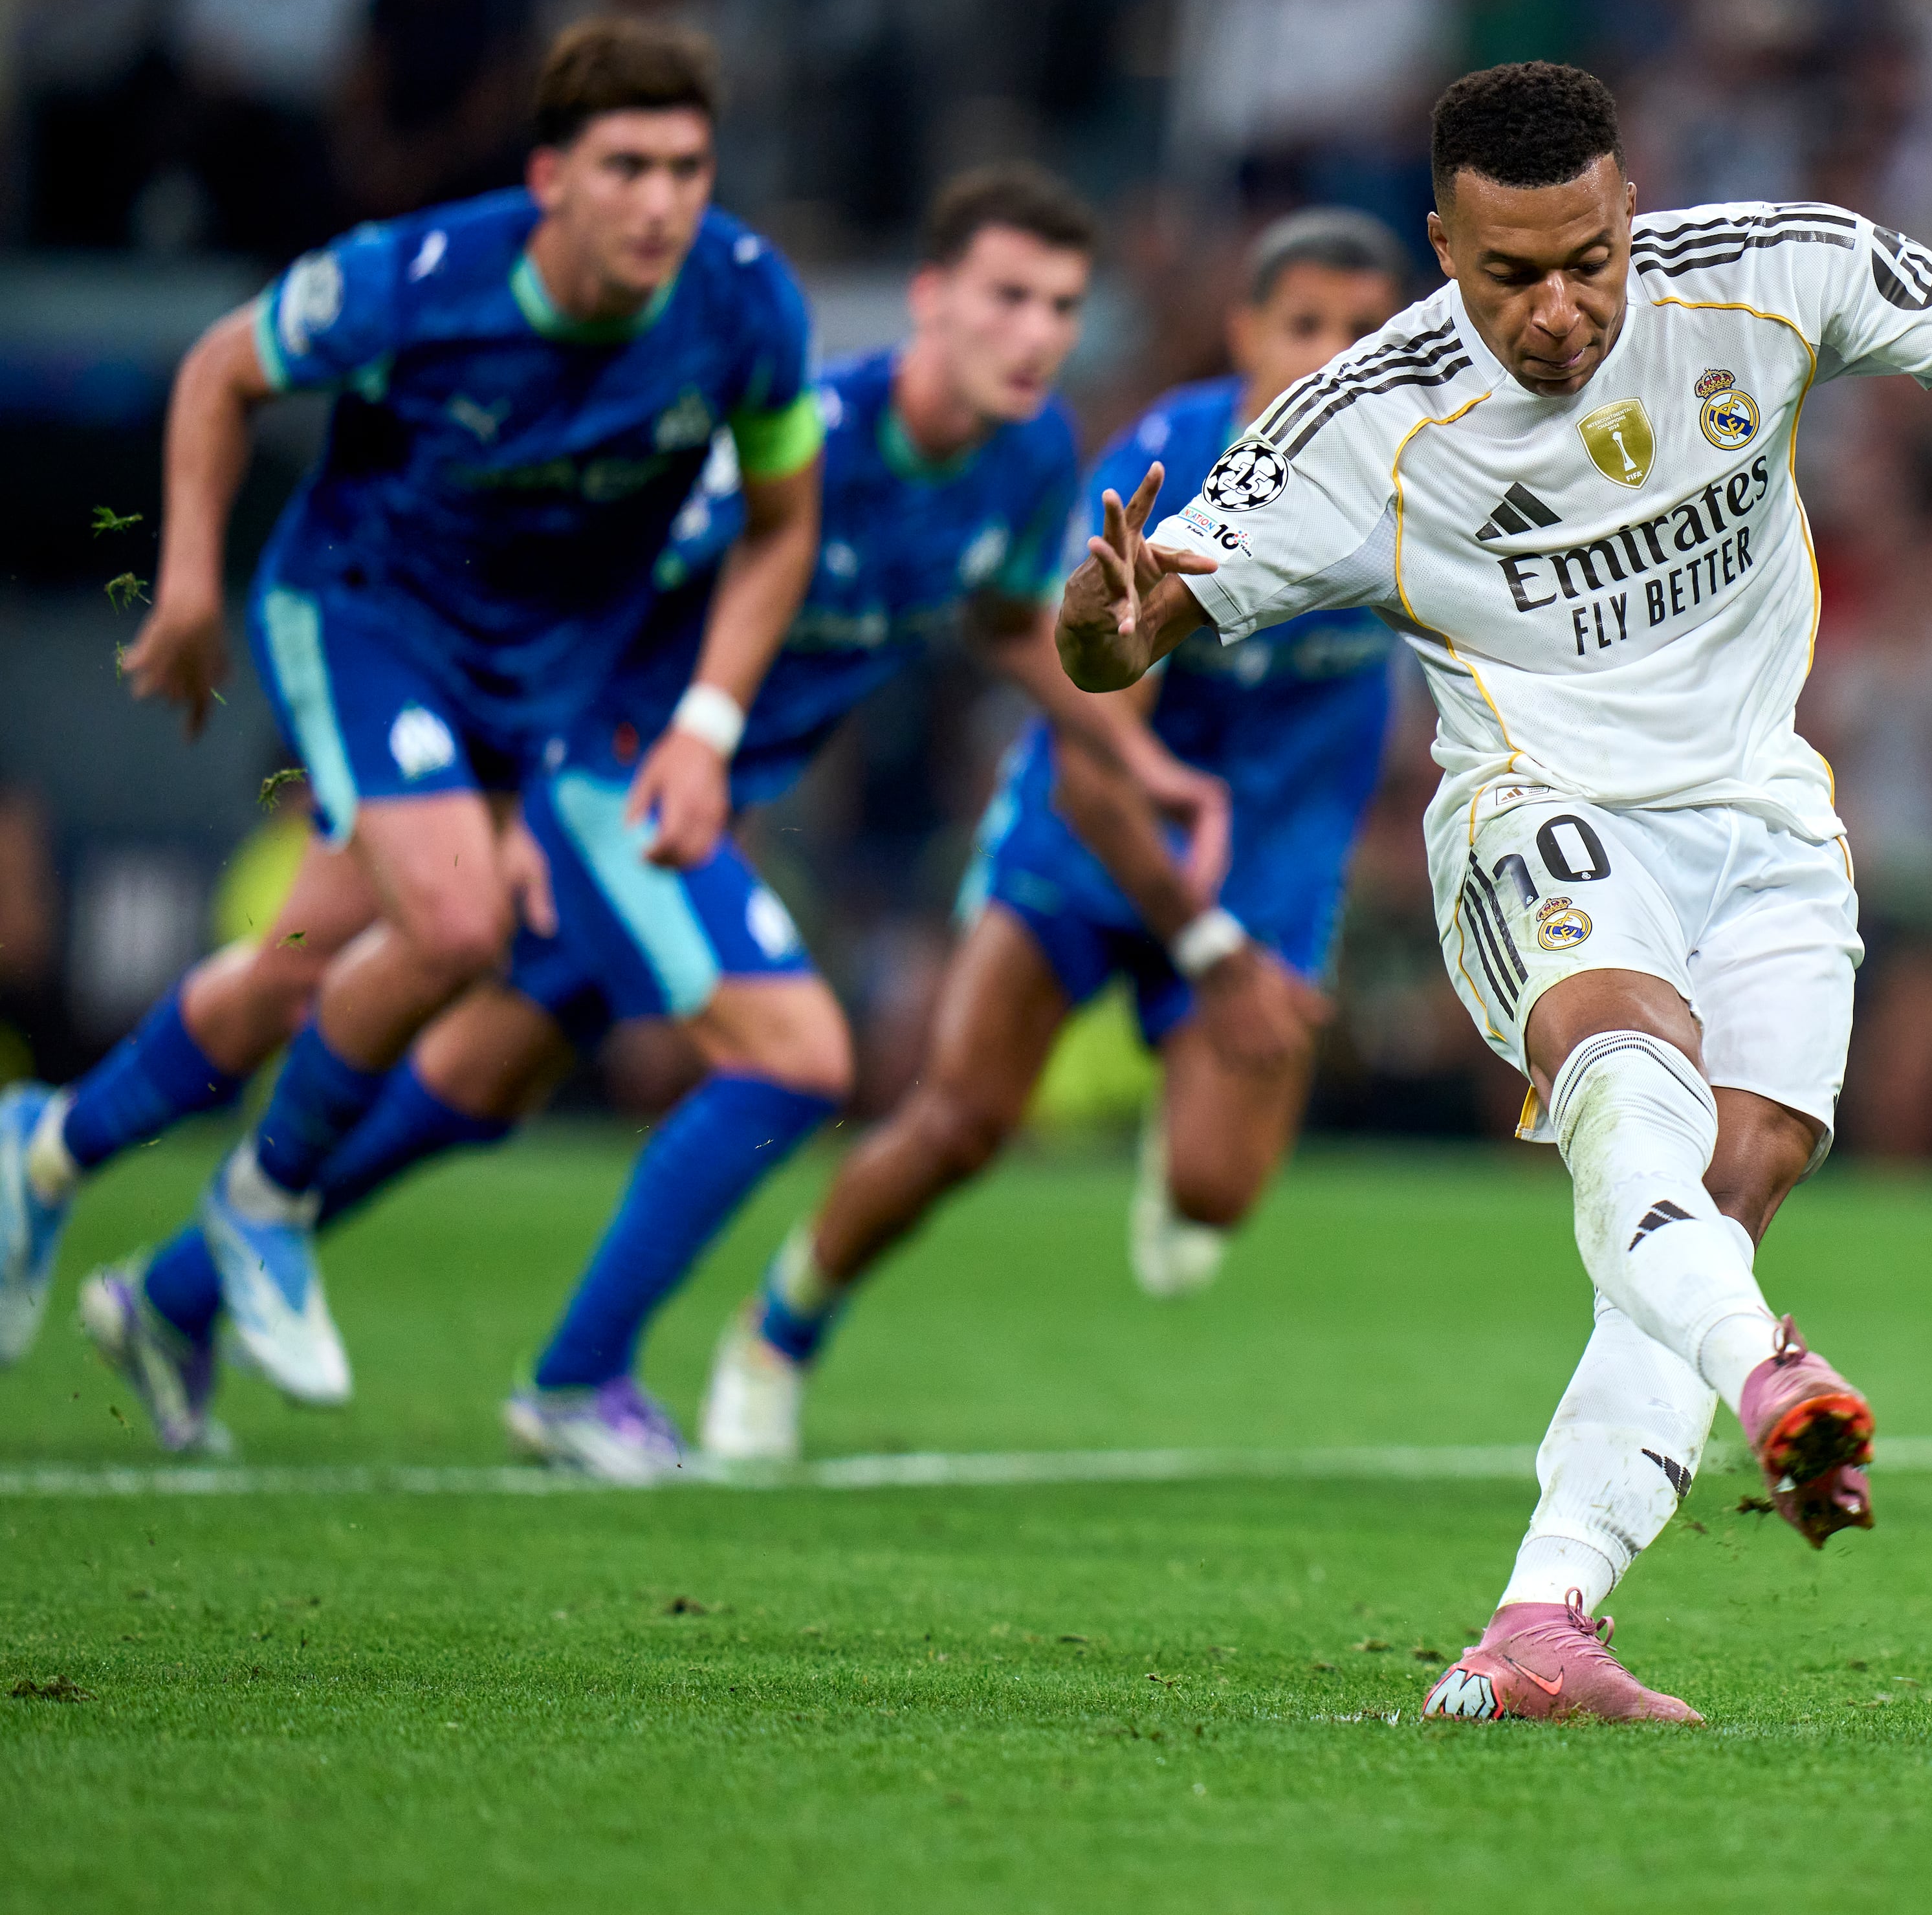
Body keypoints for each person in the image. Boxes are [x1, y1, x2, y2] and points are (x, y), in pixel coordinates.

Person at [1056, 62, 1932, 1721]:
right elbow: (1120, 638)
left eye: (1589, 257)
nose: (1559, 308)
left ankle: (1541, 1621)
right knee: (1636, 1096)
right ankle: (1771, 1374)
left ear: (1629, 205)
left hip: (1764, 815)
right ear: (1442, 244)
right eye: (1511, 274)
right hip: (1543, 808)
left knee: (1727, 1192)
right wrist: (1102, 622)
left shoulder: (1768, 269)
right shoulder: (1357, 426)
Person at [70, 166, 1161, 1476]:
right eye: (1006, 296)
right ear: (928, 298)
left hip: (687, 800)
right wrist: (527, 797)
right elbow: (589, 593)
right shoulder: (796, 434)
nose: (1036, 331)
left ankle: (168, 1298)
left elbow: (998, 622)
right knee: (799, 1056)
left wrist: (1137, 752)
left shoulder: (1032, 460)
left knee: (474, 1080)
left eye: (1061, 305)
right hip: (604, 779)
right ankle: (578, 1378)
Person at [0, 22, 822, 1413]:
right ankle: (264, 1198)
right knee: (455, 929)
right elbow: (220, 369)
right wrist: (190, 575)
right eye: (627, 165)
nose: (663, 201)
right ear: (551, 176)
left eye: (688, 166)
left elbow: (782, 520)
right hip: (365, 615)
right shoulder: (418, 278)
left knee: (295, 967)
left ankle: (46, 1147)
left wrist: (706, 723)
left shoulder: (743, 301)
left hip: (539, 677)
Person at [696, 207, 1412, 1464]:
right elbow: (1095, 762)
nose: (1334, 354)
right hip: (1093, 830)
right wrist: (1205, 951)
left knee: (1212, 1193)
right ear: (1244, 331)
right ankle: (775, 1332)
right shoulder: (1160, 471)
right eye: (1306, 325)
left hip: (1278, 842)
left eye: (1366, 330)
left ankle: (1187, 1110)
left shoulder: (1438, 474)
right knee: (962, 1121)